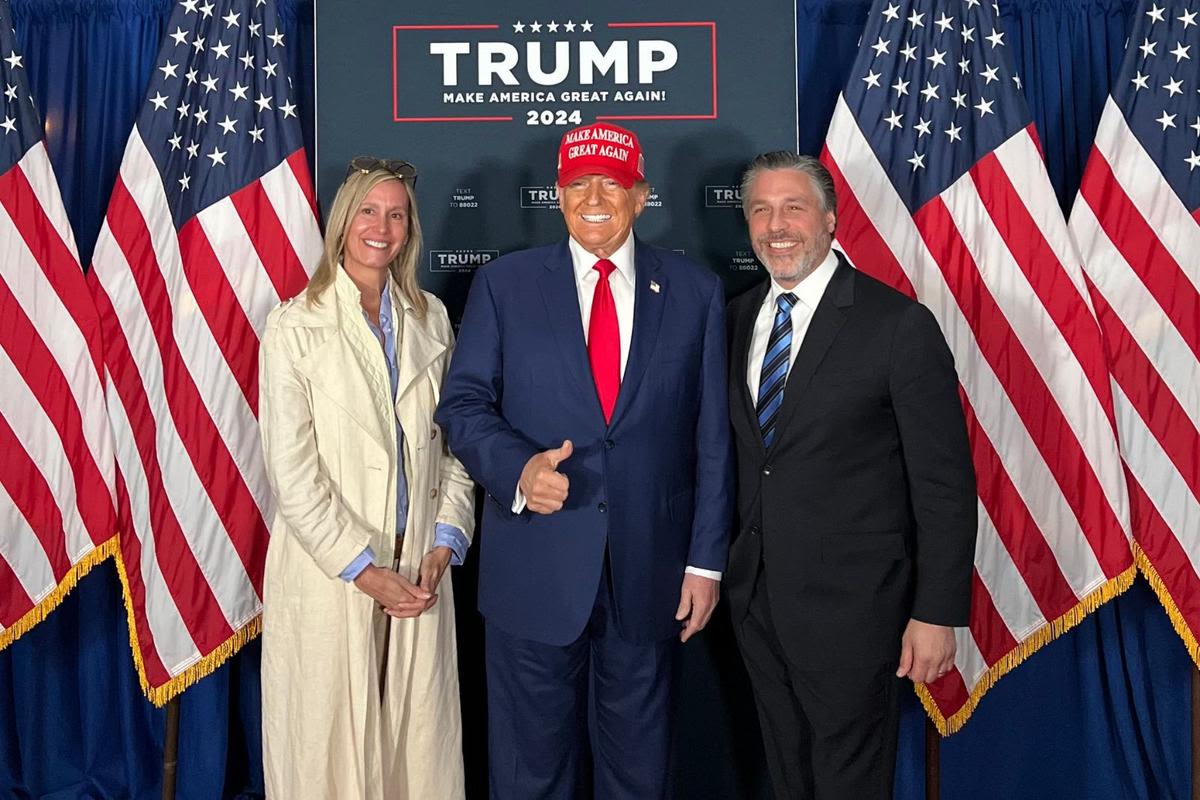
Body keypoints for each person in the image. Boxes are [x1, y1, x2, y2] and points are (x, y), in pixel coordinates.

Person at [435, 122, 732, 799]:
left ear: (641, 195)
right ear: (558, 194)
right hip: (532, 571)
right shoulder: (504, 285)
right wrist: (518, 470)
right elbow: (464, 406)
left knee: (640, 773)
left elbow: (711, 439)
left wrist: (704, 562)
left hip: (650, 570)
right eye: (577, 183)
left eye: (612, 182)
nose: (594, 196)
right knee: (530, 772)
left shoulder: (693, 292)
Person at [725, 151, 977, 799]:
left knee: (849, 781)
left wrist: (936, 612)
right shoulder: (733, 320)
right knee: (790, 776)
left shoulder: (896, 325)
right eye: (761, 210)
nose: (776, 225)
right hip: (756, 603)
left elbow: (944, 483)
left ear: (831, 221)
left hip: (856, 612)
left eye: (793, 208)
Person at [257, 157, 475, 800]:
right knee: (327, 753)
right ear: (343, 222)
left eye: (396, 214)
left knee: (418, 750)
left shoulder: (431, 317)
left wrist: (445, 540)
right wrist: (363, 568)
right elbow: (292, 473)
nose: (381, 227)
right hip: (334, 573)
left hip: (419, 570)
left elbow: (455, 445)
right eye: (368, 212)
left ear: (410, 228)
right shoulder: (295, 325)